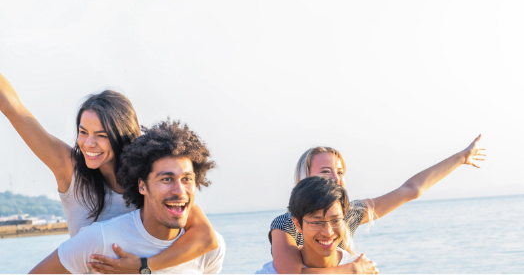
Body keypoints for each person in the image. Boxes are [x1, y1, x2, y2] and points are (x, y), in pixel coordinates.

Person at [0, 73, 218, 273]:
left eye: (101, 135)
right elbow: (15, 109)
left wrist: (143, 267)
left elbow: (206, 238)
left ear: (121, 134)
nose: (88, 143)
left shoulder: (149, 180)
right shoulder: (70, 171)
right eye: (83, 132)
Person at [30, 119, 225, 274]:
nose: (179, 190)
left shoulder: (211, 250)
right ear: (142, 185)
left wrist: (143, 267)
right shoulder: (100, 241)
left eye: (187, 179)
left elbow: (208, 240)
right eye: (166, 179)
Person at [270, 138, 486, 273]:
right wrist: (352, 270)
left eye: (340, 172)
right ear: (304, 176)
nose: (336, 178)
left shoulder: (349, 213)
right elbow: (293, 274)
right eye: (326, 171)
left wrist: (461, 158)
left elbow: (411, 190)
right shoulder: (287, 224)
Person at [257, 176, 378, 274]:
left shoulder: (364, 269)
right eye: (316, 222)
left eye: (335, 220)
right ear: (297, 224)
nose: (328, 232)